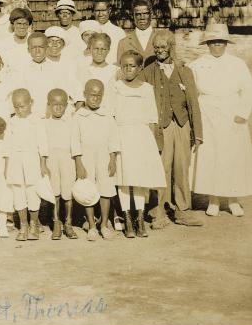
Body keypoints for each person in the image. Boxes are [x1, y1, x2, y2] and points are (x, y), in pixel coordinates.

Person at [188, 23, 252, 217]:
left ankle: (233, 200)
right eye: (213, 42)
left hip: (231, 116)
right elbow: (191, 89)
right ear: (207, 44)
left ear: (226, 43)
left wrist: (242, 113)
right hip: (207, 115)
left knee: (232, 157)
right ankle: (214, 200)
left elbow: (247, 90)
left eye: (220, 42)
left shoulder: (237, 64)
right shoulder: (197, 64)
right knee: (211, 158)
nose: (217, 46)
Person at [141, 30, 204, 228]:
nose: (160, 50)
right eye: (156, 47)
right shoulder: (148, 72)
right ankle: (159, 211)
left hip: (182, 124)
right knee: (162, 168)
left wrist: (198, 133)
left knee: (182, 167)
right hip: (162, 125)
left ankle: (182, 210)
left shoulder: (185, 70)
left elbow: (193, 102)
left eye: (164, 47)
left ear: (171, 47)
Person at [112, 50, 167, 238]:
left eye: (132, 65)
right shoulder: (115, 87)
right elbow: (111, 115)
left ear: (140, 67)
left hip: (141, 136)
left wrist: (150, 146)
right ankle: (127, 218)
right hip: (121, 134)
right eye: (124, 65)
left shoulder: (146, 89)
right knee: (124, 179)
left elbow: (152, 118)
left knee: (141, 178)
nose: (128, 69)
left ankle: (140, 218)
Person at [73, 79, 121, 241]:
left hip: (104, 156)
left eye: (99, 96)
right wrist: (79, 163)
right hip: (86, 156)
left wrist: (113, 159)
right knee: (88, 189)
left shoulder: (107, 114)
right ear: (85, 95)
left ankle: (104, 225)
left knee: (106, 189)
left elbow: (113, 139)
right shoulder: (78, 115)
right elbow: (75, 141)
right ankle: (92, 227)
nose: (95, 99)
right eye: (92, 95)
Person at [6, 89, 48, 241]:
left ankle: (34, 224)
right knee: (19, 194)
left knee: (32, 193)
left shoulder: (37, 121)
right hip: (16, 162)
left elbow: (42, 144)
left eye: (22, 106)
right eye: (16, 107)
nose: (19, 110)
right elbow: (8, 146)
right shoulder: (12, 122)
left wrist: (43, 164)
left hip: (32, 160)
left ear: (31, 103)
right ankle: (23, 225)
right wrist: (6, 167)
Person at [14, 32, 83, 116]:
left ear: (47, 48)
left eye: (41, 47)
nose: (37, 51)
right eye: (33, 48)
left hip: (54, 118)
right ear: (28, 50)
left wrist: (76, 112)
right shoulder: (21, 71)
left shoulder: (59, 69)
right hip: (31, 119)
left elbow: (77, 93)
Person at [44, 88, 80, 240]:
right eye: (54, 104)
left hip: (67, 159)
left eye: (61, 104)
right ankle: (56, 223)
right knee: (55, 192)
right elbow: (43, 145)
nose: (58, 108)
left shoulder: (71, 122)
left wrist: (78, 163)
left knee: (68, 192)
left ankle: (68, 223)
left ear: (67, 105)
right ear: (48, 105)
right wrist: (43, 163)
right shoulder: (44, 123)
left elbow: (76, 143)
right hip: (52, 159)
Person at [76, 33, 119, 113]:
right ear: (90, 49)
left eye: (103, 49)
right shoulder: (83, 70)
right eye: (96, 48)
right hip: (87, 113)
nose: (99, 52)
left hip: (109, 113)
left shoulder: (115, 71)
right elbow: (79, 97)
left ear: (108, 50)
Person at [116, 0, 160, 66]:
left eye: (145, 13)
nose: (142, 17)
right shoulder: (123, 43)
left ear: (151, 15)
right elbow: (120, 70)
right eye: (138, 14)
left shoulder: (162, 38)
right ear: (133, 15)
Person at [91, 0, 127, 66]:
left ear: (109, 10)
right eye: (97, 10)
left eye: (103, 10)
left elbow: (123, 56)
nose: (100, 14)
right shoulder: (88, 31)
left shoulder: (118, 32)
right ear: (94, 11)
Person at [2, 7, 34, 76]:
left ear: (29, 25)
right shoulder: (5, 43)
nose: (22, 27)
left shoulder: (34, 41)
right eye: (19, 23)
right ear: (13, 24)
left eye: (25, 24)